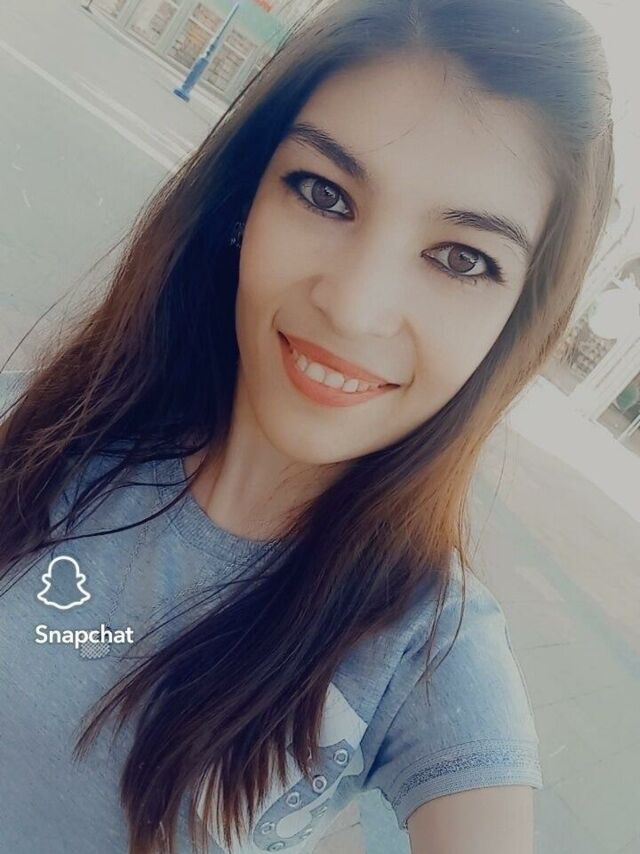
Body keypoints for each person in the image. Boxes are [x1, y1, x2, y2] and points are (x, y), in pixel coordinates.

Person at [0, 0, 614, 851]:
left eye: (462, 258)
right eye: (324, 194)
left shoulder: (424, 652)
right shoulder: (50, 424)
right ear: (244, 198)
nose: (354, 307)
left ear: (516, 321)